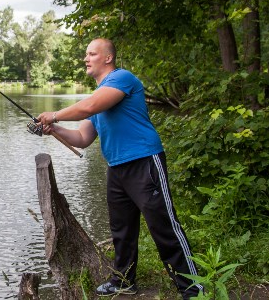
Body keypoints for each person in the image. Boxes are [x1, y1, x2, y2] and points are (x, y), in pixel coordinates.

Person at [36, 38, 202, 299]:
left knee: (163, 226)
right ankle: (124, 281)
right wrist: (54, 128)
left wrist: (54, 115)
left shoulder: (122, 79)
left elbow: (88, 107)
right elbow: (83, 138)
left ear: (108, 58)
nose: (86, 59)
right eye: (86, 55)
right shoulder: (98, 97)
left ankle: (193, 288)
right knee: (121, 230)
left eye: (91, 54)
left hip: (144, 161)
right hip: (116, 168)